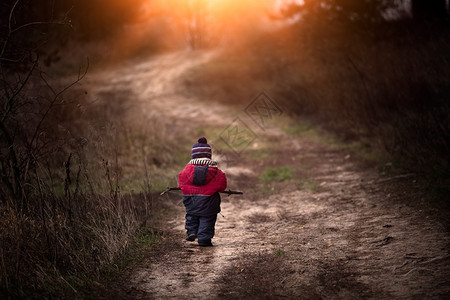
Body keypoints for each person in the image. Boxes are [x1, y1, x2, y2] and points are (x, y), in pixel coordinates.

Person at [178, 137, 227, 247]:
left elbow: (180, 182)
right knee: (207, 219)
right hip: (209, 203)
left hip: (191, 200)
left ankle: (191, 231)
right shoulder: (217, 172)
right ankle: (204, 239)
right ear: (209, 155)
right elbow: (222, 187)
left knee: (192, 215)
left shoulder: (185, 172)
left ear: (193, 155)